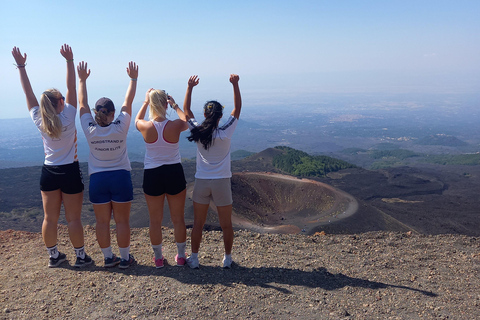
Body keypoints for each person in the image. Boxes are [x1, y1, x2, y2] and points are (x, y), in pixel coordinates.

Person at [11, 45, 92, 268]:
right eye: (62, 98)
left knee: (50, 218)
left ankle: (54, 256)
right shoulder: (68, 115)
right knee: (73, 218)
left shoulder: (40, 120)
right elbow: (71, 86)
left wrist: (21, 66)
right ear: (59, 103)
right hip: (70, 171)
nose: (65, 99)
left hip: (48, 172)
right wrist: (69, 61)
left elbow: (28, 93)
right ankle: (80, 256)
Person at [77, 60, 138, 269]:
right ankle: (125, 258)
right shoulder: (121, 127)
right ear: (112, 113)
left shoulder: (90, 129)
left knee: (102, 222)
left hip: (98, 179)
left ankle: (107, 258)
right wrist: (133, 79)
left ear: (96, 112)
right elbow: (128, 101)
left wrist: (82, 80)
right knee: (122, 222)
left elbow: (82, 104)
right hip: (120, 176)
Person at [183, 74, 242, 269]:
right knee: (226, 224)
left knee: (198, 223)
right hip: (222, 182)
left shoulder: (198, 132)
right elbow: (237, 109)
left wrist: (190, 87)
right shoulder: (226, 132)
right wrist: (235, 84)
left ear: (205, 115)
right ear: (219, 116)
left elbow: (186, 111)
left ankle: (194, 258)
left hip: (202, 182)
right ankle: (227, 258)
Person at [135, 89, 189, 268]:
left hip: (152, 174)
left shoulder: (145, 126)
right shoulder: (174, 125)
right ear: (166, 104)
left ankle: (158, 259)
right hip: (174, 172)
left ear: (151, 105)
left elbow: (136, 120)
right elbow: (186, 121)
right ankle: (181, 256)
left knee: (155, 220)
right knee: (178, 219)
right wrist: (175, 105)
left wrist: (144, 102)